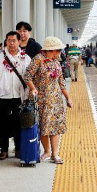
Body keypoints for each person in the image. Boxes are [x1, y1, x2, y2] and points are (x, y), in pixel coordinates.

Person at [24, 36, 73, 164]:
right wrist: (33, 88)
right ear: (51, 50)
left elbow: (61, 82)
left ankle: (55, 154)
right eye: (58, 50)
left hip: (55, 100)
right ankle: (47, 151)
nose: (60, 53)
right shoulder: (38, 60)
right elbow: (27, 76)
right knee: (44, 125)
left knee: (55, 126)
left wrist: (68, 98)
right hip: (42, 99)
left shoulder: (56, 62)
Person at [0, 31, 33, 160]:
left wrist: (32, 89)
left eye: (14, 40)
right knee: (2, 124)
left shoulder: (25, 58)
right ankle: (4, 149)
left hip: (19, 96)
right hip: (3, 96)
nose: (11, 43)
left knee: (19, 122)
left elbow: (30, 75)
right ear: (6, 42)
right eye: (9, 40)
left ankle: (18, 149)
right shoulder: (0, 57)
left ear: (19, 42)